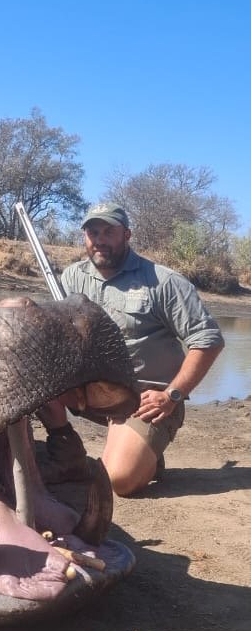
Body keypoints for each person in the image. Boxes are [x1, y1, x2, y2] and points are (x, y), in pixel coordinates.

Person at [40, 202, 225, 496]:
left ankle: (145, 448)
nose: (99, 239)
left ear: (126, 234)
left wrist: (171, 395)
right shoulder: (72, 277)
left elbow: (208, 341)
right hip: (95, 392)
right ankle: (66, 452)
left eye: (108, 232)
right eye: (92, 232)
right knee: (30, 381)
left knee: (119, 481)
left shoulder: (163, 282)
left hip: (146, 400)